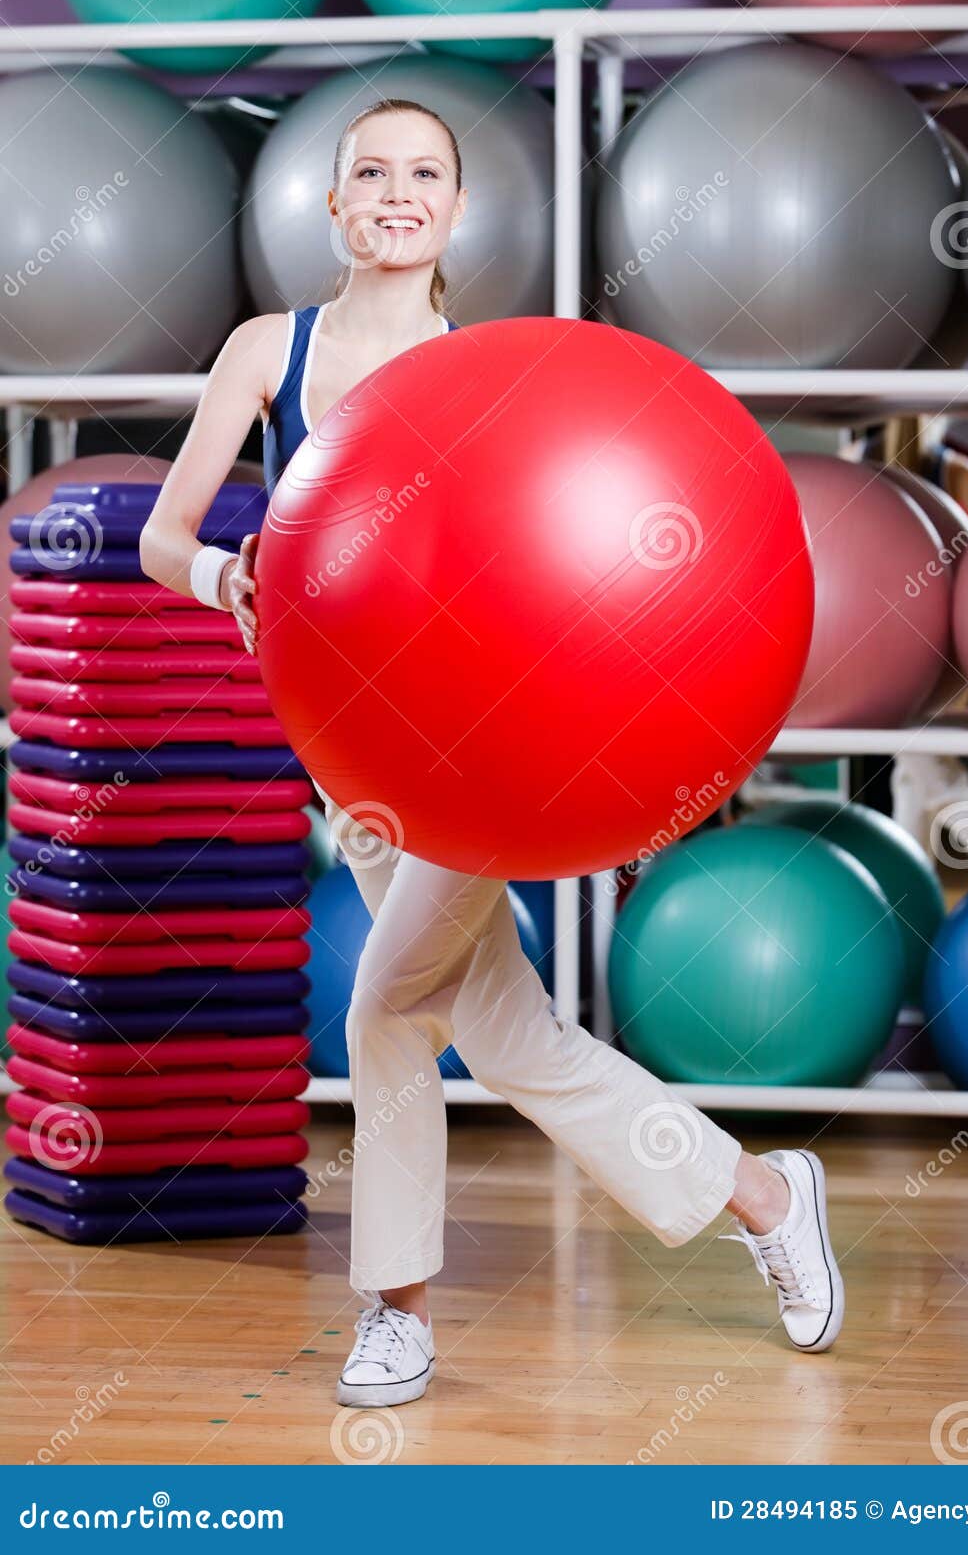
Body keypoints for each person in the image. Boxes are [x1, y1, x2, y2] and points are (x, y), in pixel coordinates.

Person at [140, 97, 845, 1412]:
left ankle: (393, 1311)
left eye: (425, 173)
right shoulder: (267, 350)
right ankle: (758, 1190)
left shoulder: (494, 374)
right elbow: (161, 538)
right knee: (502, 1024)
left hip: (473, 759)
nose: (396, 191)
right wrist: (224, 566)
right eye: (370, 172)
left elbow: (531, 567)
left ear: (457, 214)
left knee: (381, 1007)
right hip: (346, 762)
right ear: (334, 205)